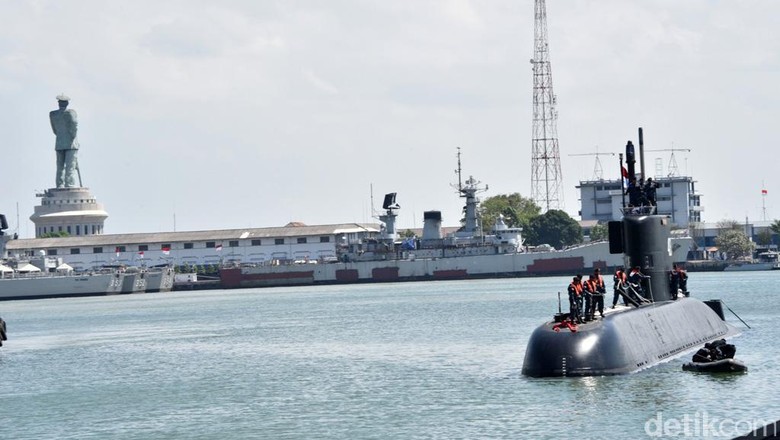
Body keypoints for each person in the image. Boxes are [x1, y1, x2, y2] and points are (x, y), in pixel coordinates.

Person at [50, 94, 80, 188]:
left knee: (60, 166)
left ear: (59, 103)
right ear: (67, 103)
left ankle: (60, 184)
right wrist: (72, 136)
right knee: (70, 166)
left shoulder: (53, 114)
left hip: (59, 143)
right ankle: (70, 184)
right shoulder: (71, 113)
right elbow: (74, 124)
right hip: (71, 144)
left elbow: (54, 129)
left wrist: (61, 136)